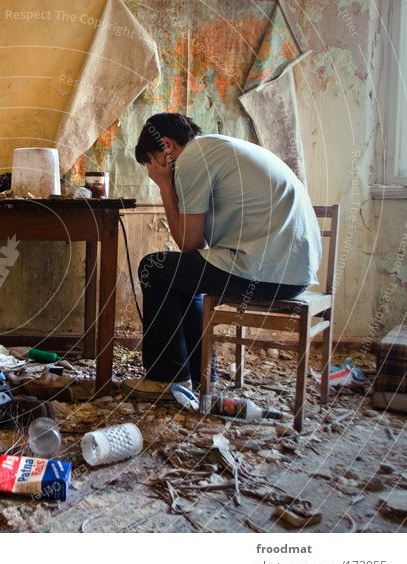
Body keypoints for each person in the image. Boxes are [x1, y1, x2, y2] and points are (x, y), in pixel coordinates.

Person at [132, 112, 321, 391]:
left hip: (264, 272)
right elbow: (196, 249)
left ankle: (166, 377)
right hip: (292, 273)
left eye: (150, 161)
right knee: (180, 274)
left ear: (167, 146)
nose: (151, 171)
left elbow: (189, 243)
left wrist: (164, 185)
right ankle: (200, 375)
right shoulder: (215, 148)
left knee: (154, 267)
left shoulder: (192, 159)